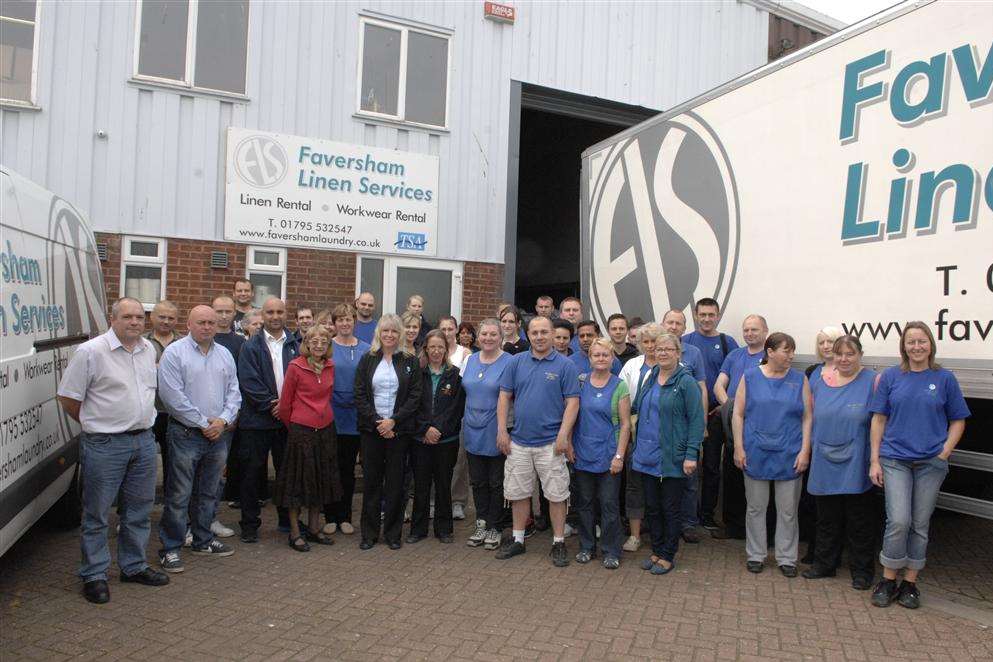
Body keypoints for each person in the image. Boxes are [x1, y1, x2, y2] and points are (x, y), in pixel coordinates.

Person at [57, 297, 170, 604]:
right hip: (105, 444)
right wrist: (97, 422)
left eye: (139, 317)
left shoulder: (148, 350)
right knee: (97, 513)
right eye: (128, 317)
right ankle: (93, 574)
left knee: (138, 510)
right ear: (113, 319)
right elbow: (69, 398)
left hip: (144, 442)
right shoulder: (91, 352)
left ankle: (132, 566)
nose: (135, 322)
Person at [869, 322, 969, 609]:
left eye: (922, 341)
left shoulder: (944, 378)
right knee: (899, 520)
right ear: (904, 346)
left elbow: (958, 420)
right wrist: (875, 460)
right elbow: (878, 419)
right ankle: (888, 580)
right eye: (911, 342)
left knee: (920, 524)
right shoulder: (891, 376)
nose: (916, 347)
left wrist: (944, 453)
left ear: (930, 344)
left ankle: (910, 584)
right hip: (895, 459)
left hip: (930, 463)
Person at [156, 306, 241, 573]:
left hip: (218, 434)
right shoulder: (174, 353)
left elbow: (234, 393)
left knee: (210, 490)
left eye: (211, 323)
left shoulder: (225, 354)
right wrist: (205, 423)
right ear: (189, 325)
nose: (207, 327)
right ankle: (170, 547)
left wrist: (223, 420)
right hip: (185, 433)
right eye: (202, 322)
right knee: (179, 493)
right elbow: (172, 397)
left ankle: (203, 539)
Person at [494, 316, 580, 566]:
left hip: (551, 444)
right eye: (535, 332)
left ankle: (558, 542)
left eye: (544, 332)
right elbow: (504, 397)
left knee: (556, 495)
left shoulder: (565, 366)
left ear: (553, 334)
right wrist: (502, 431)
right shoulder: (516, 362)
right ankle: (519, 540)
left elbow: (573, 402)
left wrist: (564, 435)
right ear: (527, 334)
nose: (540, 337)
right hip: (519, 442)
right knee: (518, 493)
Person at [732, 332, 812, 577]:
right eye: (786, 350)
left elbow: (808, 416)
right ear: (770, 352)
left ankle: (786, 558)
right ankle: (755, 555)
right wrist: (738, 447)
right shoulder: (750, 377)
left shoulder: (799, 379)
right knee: (756, 507)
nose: (791, 355)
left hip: (789, 452)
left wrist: (805, 450)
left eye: (792, 350)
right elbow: (738, 413)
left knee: (788, 510)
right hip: (756, 451)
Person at [802, 335, 878, 590]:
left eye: (850, 354)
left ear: (860, 355)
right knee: (826, 517)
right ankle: (825, 564)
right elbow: (809, 417)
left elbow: (880, 421)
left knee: (860, 520)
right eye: (839, 354)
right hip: (824, 458)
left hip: (857, 459)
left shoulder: (872, 381)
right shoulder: (820, 381)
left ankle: (862, 571)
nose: (844, 359)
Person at [631, 333, 704, 575]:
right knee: (652, 507)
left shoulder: (686, 382)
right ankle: (657, 550)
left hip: (673, 457)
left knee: (670, 508)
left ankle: (668, 555)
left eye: (667, 349)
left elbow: (696, 420)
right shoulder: (651, 377)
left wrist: (691, 454)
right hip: (648, 455)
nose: (662, 353)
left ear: (678, 353)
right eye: (658, 349)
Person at [354, 314, 423, 550]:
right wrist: (378, 423)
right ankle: (369, 534)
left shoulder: (409, 361)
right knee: (372, 482)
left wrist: (393, 421)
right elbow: (360, 395)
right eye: (386, 331)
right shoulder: (367, 359)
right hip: (371, 431)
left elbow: (415, 397)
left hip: (399, 432)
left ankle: (393, 533)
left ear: (400, 334)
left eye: (394, 331)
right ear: (379, 334)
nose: (390, 335)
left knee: (396, 484)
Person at [235, 297, 300, 543]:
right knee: (252, 474)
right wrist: (274, 405)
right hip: (257, 421)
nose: (275, 316)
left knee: (287, 473)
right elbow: (249, 381)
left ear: (286, 314)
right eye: (270, 312)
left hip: (286, 423)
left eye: (279, 312)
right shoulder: (251, 346)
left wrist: (285, 408)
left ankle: (287, 520)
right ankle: (250, 525)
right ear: (263, 315)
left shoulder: (296, 343)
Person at [274, 325, 341, 551]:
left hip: (325, 430)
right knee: (297, 484)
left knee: (319, 481)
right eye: (315, 341)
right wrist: (296, 425)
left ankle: (314, 529)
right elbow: (285, 405)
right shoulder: (295, 367)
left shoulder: (331, 366)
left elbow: (329, 396)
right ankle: (295, 533)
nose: (319, 344)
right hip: (301, 432)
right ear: (307, 343)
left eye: (324, 341)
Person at [572, 338, 631, 569]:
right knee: (585, 503)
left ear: (612, 358)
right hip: (582, 453)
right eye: (596, 355)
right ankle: (587, 547)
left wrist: (619, 456)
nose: (601, 359)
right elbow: (572, 415)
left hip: (608, 456)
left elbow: (626, 424)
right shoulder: (580, 382)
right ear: (590, 358)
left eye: (605, 355)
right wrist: (569, 445)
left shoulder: (620, 386)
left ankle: (611, 550)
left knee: (608, 505)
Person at [682, 298, 739, 535]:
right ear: (696, 315)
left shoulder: (728, 342)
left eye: (711, 314)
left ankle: (707, 515)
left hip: (718, 413)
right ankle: (689, 515)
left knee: (714, 467)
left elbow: (735, 377)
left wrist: (723, 406)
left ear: (718, 315)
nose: (707, 319)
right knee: (690, 466)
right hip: (689, 414)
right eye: (702, 314)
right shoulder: (685, 342)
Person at [712, 314, 768, 540]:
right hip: (733, 422)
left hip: (757, 423)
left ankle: (756, 529)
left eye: (755, 329)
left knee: (755, 475)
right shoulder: (734, 355)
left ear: (765, 331)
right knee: (732, 471)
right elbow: (719, 385)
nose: (749, 334)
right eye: (746, 330)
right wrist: (731, 408)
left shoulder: (769, 357)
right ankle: (733, 526)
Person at [407, 331, 465, 544]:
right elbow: (412, 405)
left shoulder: (454, 375)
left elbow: (455, 409)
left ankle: (444, 529)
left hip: (446, 441)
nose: (436, 351)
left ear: (446, 349)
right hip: (420, 440)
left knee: (443, 484)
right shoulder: (416, 374)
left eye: (441, 347)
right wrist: (425, 430)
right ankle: (418, 530)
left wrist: (438, 429)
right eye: (432, 347)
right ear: (426, 349)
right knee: (421, 484)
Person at [462, 319, 514, 550]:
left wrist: (506, 431)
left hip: (497, 429)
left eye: (494, 334)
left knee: (496, 481)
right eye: (484, 334)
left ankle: (495, 526)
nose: (488, 338)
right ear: (478, 336)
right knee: (478, 481)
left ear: (501, 336)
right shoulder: (470, 360)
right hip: (472, 429)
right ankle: (481, 522)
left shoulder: (510, 362)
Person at [660, 309, 708, 543]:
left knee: (689, 479)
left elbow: (701, 388)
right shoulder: (657, 350)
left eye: (678, 323)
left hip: (686, 426)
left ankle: (688, 524)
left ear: (684, 326)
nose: (673, 326)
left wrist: (704, 424)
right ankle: (664, 523)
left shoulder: (694, 353)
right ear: (663, 323)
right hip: (663, 429)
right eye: (670, 322)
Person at [618, 322, 665, 552]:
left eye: (654, 342)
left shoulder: (675, 367)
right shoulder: (631, 365)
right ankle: (635, 535)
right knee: (634, 485)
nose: (650, 346)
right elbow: (621, 397)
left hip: (663, 435)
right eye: (645, 342)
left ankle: (661, 534)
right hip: (635, 434)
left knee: (662, 486)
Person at [325, 304, 371, 536]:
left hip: (355, 416)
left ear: (354, 322)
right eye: (340, 320)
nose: (344, 323)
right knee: (329, 467)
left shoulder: (366, 349)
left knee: (347, 469)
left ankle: (345, 517)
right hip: (330, 415)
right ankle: (330, 516)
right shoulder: (327, 347)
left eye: (348, 319)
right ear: (333, 323)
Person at [212, 295, 247, 522]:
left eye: (228, 311)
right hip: (201, 419)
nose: (223, 316)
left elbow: (240, 382)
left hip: (229, 417)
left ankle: (210, 519)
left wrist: (233, 415)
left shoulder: (241, 342)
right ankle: (191, 523)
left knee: (219, 473)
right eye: (219, 311)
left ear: (235, 314)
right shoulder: (202, 338)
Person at [145, 300, 180, 495]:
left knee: (174, 466)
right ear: (152, 317)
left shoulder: (185, 343)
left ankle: (172, 515)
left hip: (175, 413)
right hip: (148, 411)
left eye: (171, 318)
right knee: (142, 467)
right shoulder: (141, 342)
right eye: (162, 317)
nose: (166, 321)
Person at [438, 315, 471, 520]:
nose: (447, 333)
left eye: (451, 329)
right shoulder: (432, 351)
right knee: (436, 461)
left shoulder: (465, 353)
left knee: (459, 460)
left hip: (458, 415)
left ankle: (458, 501)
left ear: (456, 331)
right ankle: (435, 501)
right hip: (436, 416)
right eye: (443, 329)